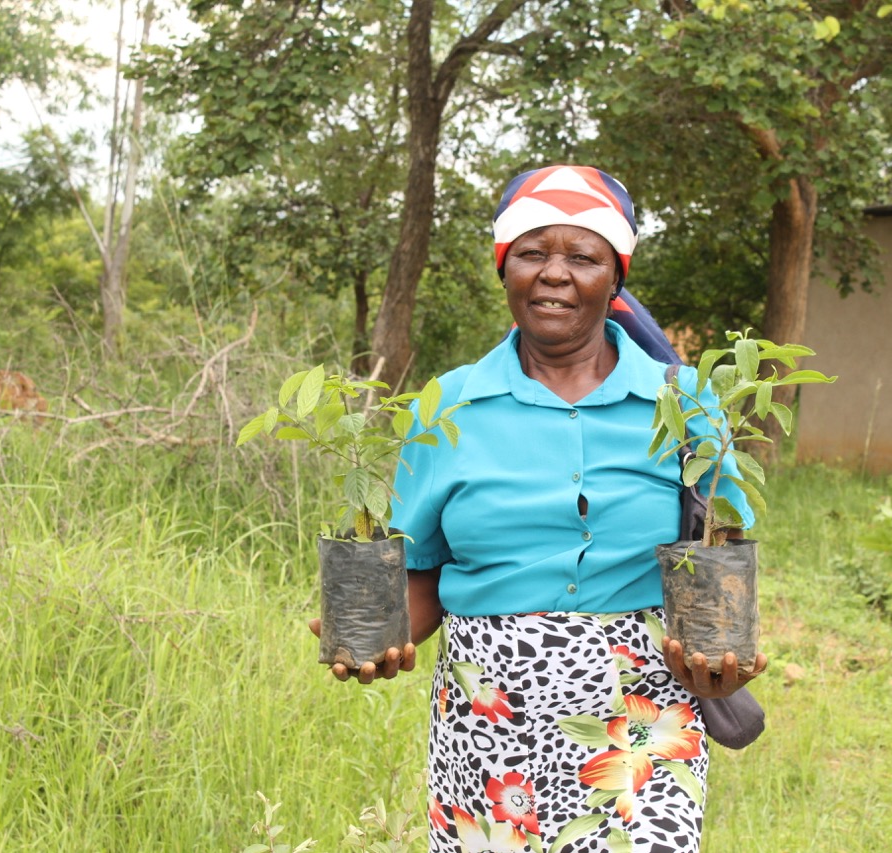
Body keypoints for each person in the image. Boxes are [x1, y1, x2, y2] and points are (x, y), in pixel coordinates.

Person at [317, 165, 767, 852]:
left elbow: (720, 553)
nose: (555, 273)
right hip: (489, 723)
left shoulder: (687, 404)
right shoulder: (451, 406)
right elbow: (421, 573)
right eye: (532, 253)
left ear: (615, 277)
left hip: (639, 714)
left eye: (582, 256)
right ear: (505, 270)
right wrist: (376, 636)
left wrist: (720, 655)